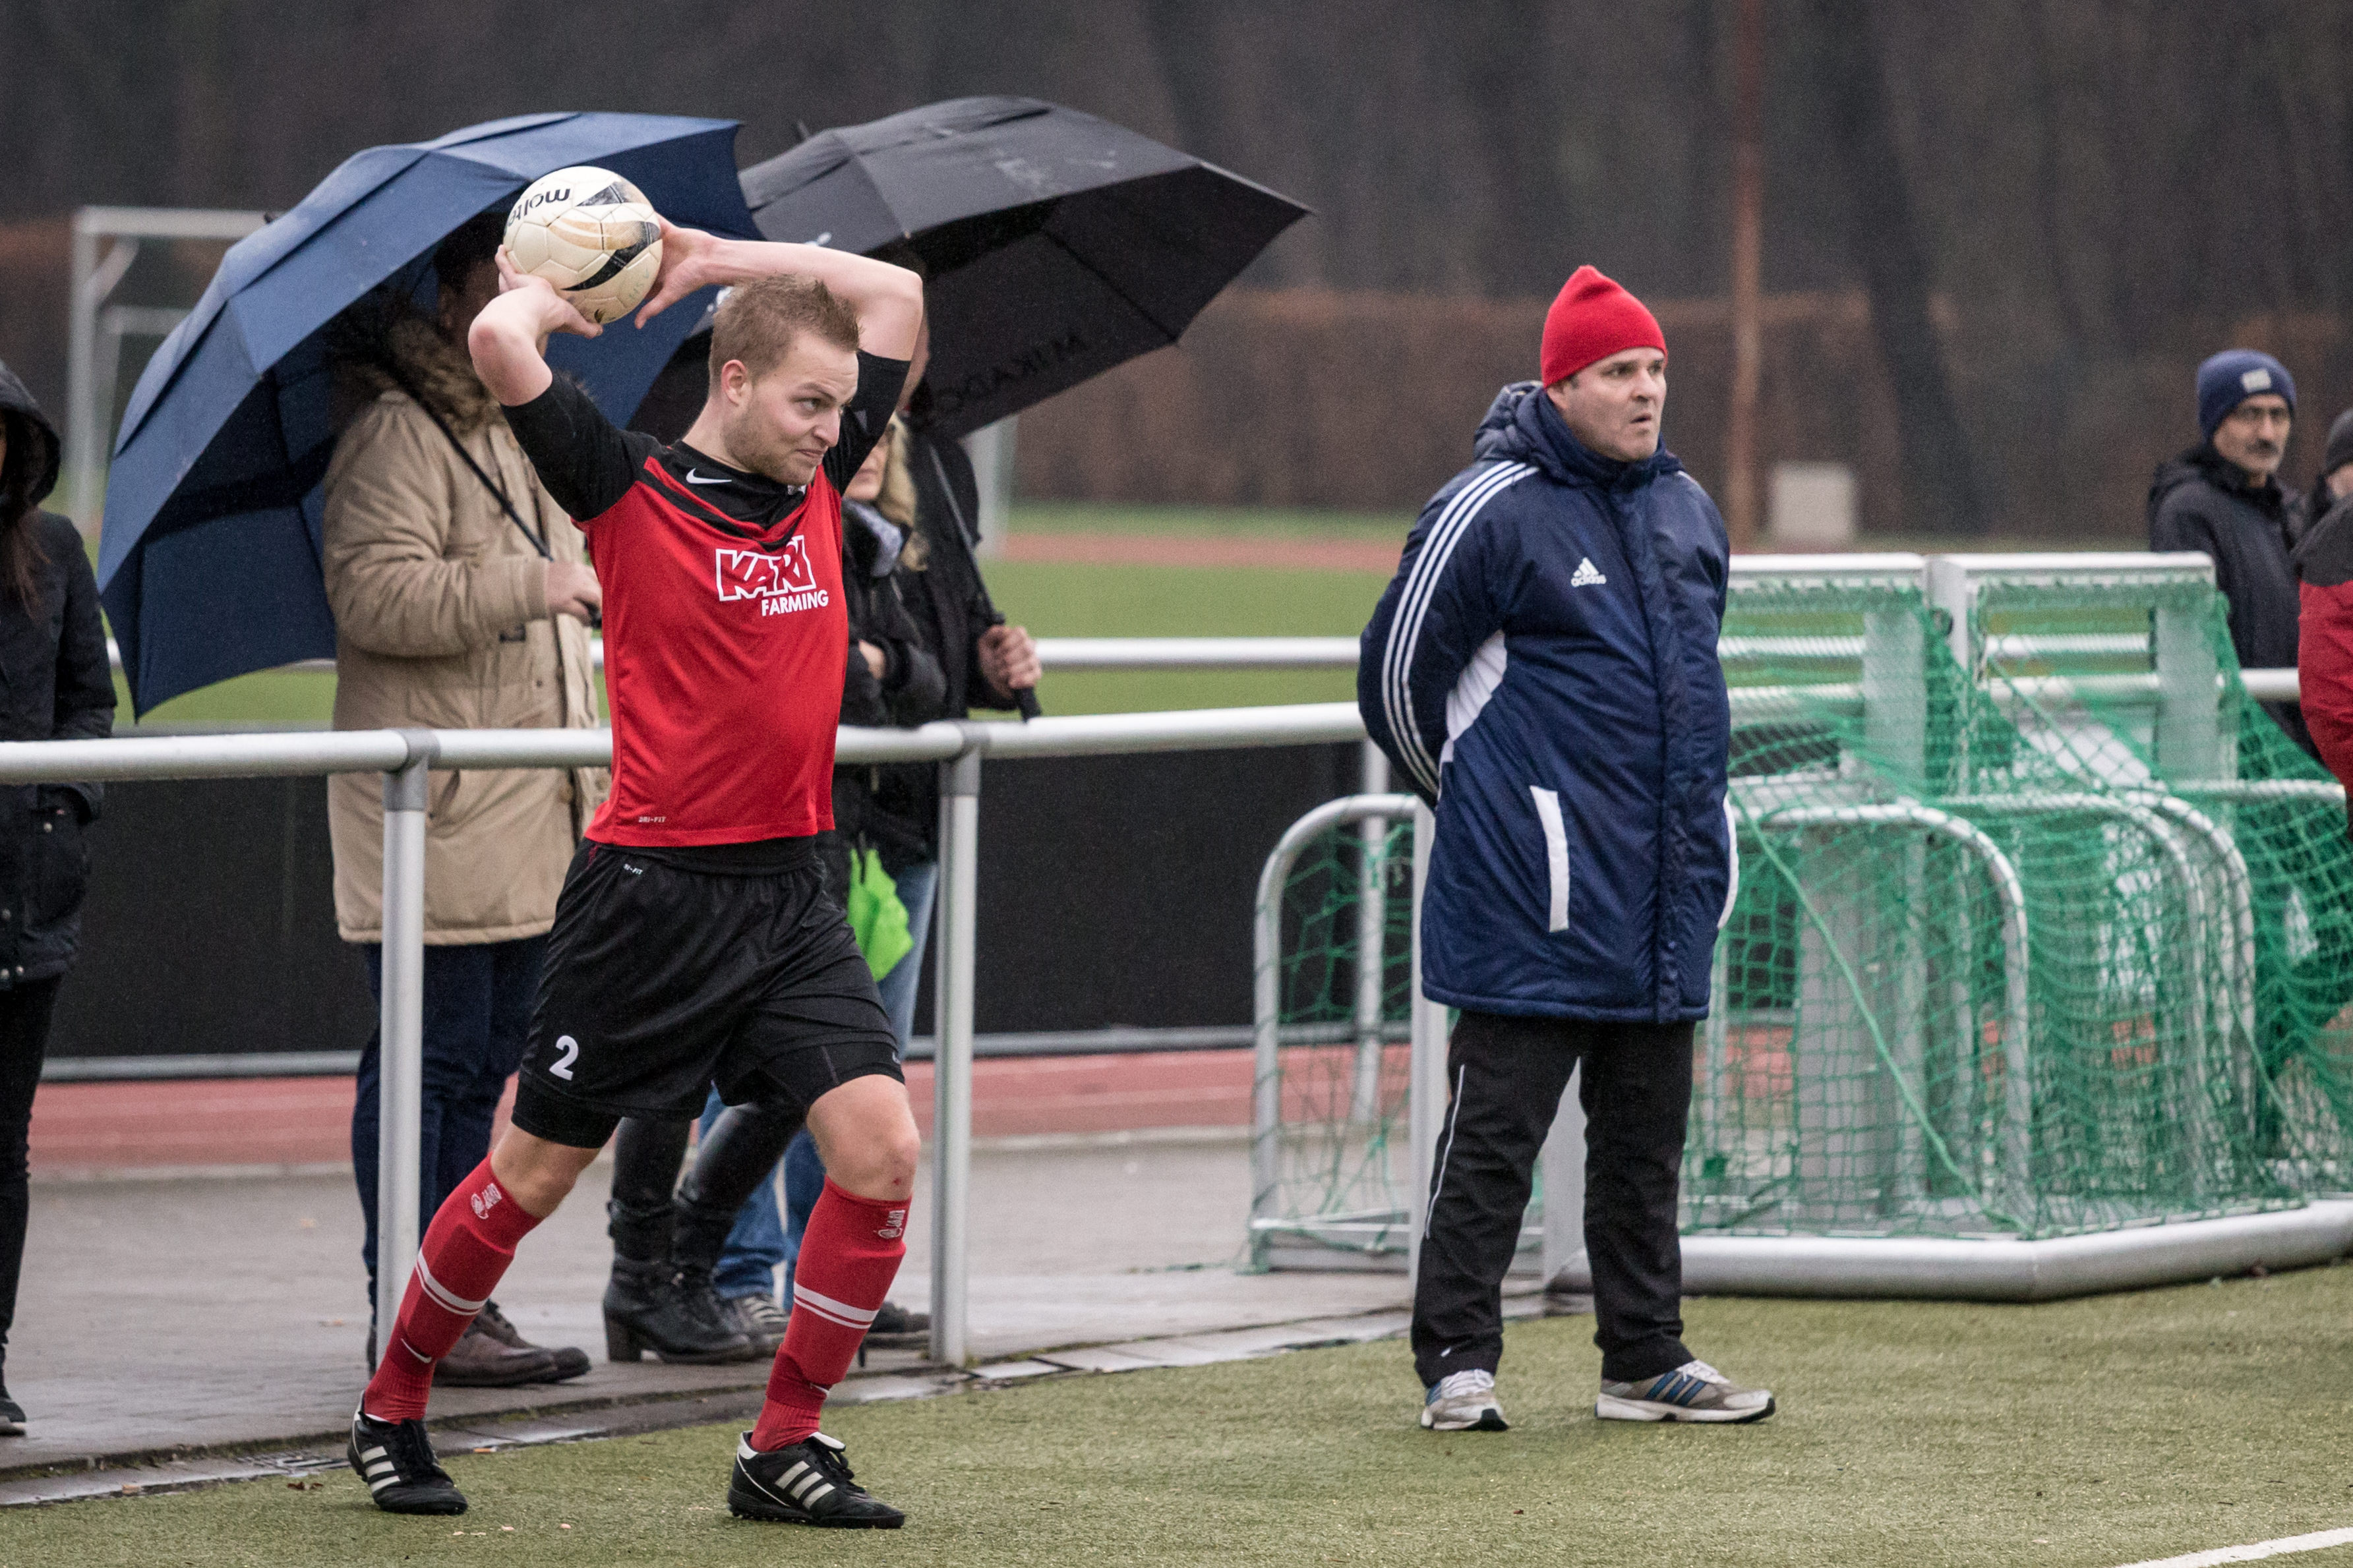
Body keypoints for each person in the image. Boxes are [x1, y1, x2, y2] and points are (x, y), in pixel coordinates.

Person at [348, 219, 924, 1530]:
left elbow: (892, 291)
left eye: (841, 405)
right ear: (734, 381)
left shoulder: (815, 485)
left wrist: (715, 259)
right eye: (808, 402)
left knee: (880, 1151)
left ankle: (782, 1442)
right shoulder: (624, 482)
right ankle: (389, 1405)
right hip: (646, 898)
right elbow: (497, 341)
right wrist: (558, 296)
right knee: (532, 1176)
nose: (831, 430)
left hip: (790, 894)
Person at [1359, 265, 1772, 1434]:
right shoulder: (1488, 507)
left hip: (1660, 893)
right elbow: (1393, 683)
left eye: (1655, 369)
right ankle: (1456, 1359)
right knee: (1494, 1139)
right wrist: (1492, 812)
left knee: (1645, 1145)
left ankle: (1643, 1355)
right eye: (1617, 371)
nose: (1645, 391)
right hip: (1528, 895)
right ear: (1560, 386)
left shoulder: (1688, 509)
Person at [598, 422, 945, 1364]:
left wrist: (876, 666)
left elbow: (921, 683)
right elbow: (837, 689)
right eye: (818, 407)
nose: (852, 438)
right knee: (655, 1081)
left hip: (807, 844)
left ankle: (686, 1266)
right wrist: (868, 670)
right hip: (698, 842)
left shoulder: (869, 545)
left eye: (858, 419)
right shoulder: (734, 519)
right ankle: (664, 1277)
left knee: (805, 1076)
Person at [323, 212, 600, 1388]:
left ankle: (453, 1299)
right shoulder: (399, 429)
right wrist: (534, 582)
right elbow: (372, 596)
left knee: (483, 1066)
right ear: (452, 303)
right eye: (503, 281)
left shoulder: (524, 426)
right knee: (428, 1064)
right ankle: (411, 1303)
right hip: (438, 813)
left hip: (530, 811)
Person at [0, 361, 114, 1439]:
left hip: (26, 895)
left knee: (4, 1142)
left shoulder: (56, 551)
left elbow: (90, 701)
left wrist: (58, 805)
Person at [2148, 349, 2313, 755]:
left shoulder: (2294, 511)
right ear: (2215, 421)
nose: (2267, 433)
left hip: (2303, 754)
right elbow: (2193, 650)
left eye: (2278, 415)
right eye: (2249, 414)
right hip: (2231, 755)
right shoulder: (2188, 512)